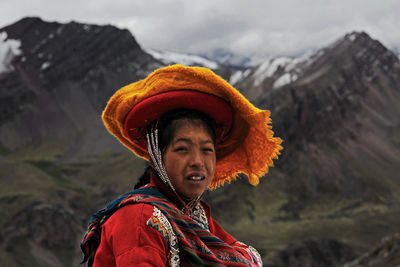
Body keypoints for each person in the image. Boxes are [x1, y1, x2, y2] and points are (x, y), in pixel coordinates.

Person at [81, 64, 282, 266]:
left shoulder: (195, 213)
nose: (197, 161)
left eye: (206, 150)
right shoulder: (140, 218)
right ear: (158, 156)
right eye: (182, 149)